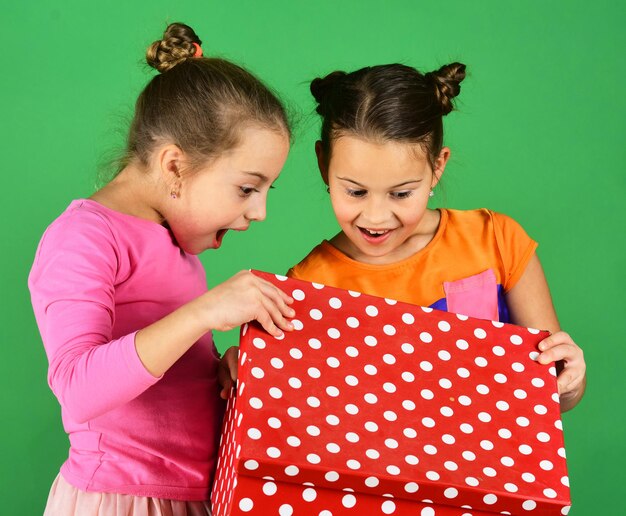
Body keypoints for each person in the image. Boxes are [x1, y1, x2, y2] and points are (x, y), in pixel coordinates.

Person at [28, 22, 294, 515]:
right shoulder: (84, 237)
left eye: (265, 192)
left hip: (200, 493)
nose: (259, 213)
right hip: (123, 499)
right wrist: (202, 312)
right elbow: (78, 391)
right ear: (175, 165)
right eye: (246, 188)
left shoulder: (177, 244)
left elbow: (164, 372)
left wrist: (221, 372)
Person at [287, 62, 585, 412]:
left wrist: (568, 383)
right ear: (324, 165)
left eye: (401, 194)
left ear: (437, 167)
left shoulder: (496, 241)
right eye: (355, 192)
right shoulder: (306, 287)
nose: (376, 216)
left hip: (491, 462)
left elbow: (552, 389)